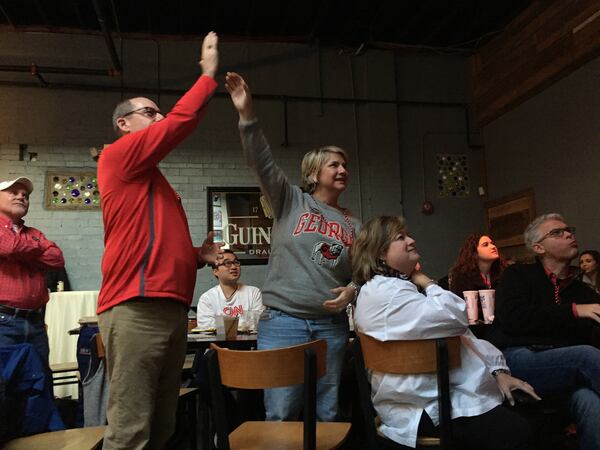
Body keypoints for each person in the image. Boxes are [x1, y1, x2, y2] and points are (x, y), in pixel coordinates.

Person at [97, 32, 223, 450]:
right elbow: (179, 122)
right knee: (131, 430)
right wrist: (207, 77)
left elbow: (150, 243)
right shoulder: (118, 156)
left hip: (170, 310)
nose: (158, 117)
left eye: (157, 112)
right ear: (124, 124)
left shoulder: (153, 180)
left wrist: (195, 256)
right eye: (149, 113)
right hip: (135, 308)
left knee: (162, 426)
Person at [226, 71, 360, 421]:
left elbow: (366, 272)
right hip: (283, 323)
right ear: (314, 173)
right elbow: (262, 161)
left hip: (330, 326)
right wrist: (246, 115)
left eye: (345, 165)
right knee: (282, 412)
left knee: (328, 414)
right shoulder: (291, 201)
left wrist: (352, 290)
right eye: (334, 164)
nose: (343, 169)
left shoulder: (354, 223)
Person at [352, 216, 539, 449]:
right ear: (379, 253)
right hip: (424, 408)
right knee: (521, 430)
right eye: (400, 238)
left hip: (427, 398)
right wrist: (426, 282)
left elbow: (461, 335)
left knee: (524, 410)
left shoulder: (391, 289)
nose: (411, 240)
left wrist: (497, 370)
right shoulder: (388, 294)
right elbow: (458, 316)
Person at [488, 213, 600, 450]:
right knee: (586, 356)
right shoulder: (518, 275)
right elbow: (512, 319)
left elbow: (590, 336)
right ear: (538, 247)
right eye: (557, 232)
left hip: (568, 370)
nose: (569, 234)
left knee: (591, 403)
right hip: (521, 357)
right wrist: (573, 311)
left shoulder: (584, 292)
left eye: (569, 229)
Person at [0, 177, 65, 368]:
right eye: (13, 192)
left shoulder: (34, 232)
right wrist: (39, 248)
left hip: (36, 322)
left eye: (25, 195)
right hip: (3, 322)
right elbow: (9, 247)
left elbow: (57, 258)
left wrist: (24, 251)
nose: (21, 197)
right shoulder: (37, 238)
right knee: (4, 389)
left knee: (37, 386)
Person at [196, 249, 263, 330]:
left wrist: (221, 324)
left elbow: (258, 322)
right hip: (217, 342)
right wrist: (244, 323)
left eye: (236, 262)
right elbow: (206, 327)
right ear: (215, 271)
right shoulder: (207, 298)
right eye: (227, 263)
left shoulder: (253, 293)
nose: (234, 267)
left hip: (249, 341)